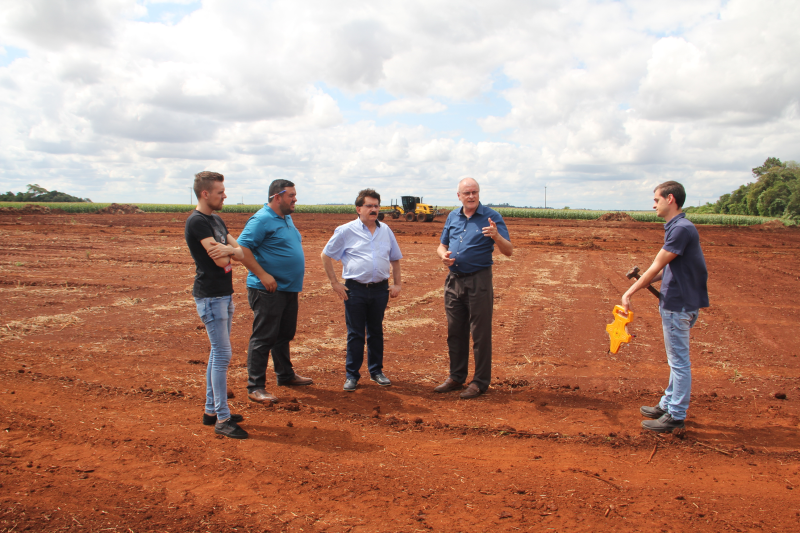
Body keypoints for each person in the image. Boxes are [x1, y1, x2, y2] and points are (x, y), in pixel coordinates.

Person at [621, 181, 709, 433]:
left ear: (670, 199)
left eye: (656, 199)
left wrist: (629, 292)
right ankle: (668, 403)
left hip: (678, 305)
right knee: (676, 361)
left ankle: (675, 415)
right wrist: (645, 279)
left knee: (679, 362)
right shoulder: (680, 227)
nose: (653, 204)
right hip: (683, 302)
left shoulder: (680, 229)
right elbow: (670, 268)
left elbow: (656, 266)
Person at [434, 177, 513, 399]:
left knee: (480, 333)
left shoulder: (491, 217)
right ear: (458, 196)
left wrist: (496, 236)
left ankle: (479, 382)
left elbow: (509, 251)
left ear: (479, 194)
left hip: (479, 281)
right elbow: (442, 245)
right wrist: (444, 256)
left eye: (474, 192)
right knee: (455, 332)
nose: (471, 196)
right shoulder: (452, 216)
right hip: (454, 280)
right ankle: (456, 377)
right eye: (466, 193)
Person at [237, 179, 312, 404]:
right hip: (267, 289)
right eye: (291, 195)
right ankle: (255, 386)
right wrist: (262, 274)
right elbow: (241, 248)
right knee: (264, 336)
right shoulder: (261, 219)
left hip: (289, 288)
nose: (295, 199)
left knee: (284, 334)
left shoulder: (286, 217)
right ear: (277, 197)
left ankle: (285, 375)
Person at [185, 171, 248, 439]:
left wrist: (230, 252)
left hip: (224, 294)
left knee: (217, 353)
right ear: (205, 194)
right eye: (221, 192)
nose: (225, 195)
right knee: (222, 354)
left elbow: (242, 253)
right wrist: (231, 253)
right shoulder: (197, 222)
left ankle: (212, 411)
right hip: (210, 296)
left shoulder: (217, 220)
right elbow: (223, 262)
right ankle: (223, 418)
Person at [321, 189, 403, 392]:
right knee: (356, 333)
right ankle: (352, 376)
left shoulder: (386, 230)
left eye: (376, 205)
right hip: (355, 289)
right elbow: (326, 255)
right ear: (359, 209)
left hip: (380, 289)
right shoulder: (345, 230)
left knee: (376, 331)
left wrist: (397, 284)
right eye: (369, 206)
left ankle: (376, 372)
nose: (374, 209)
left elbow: (395, 258)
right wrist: (335, 283)